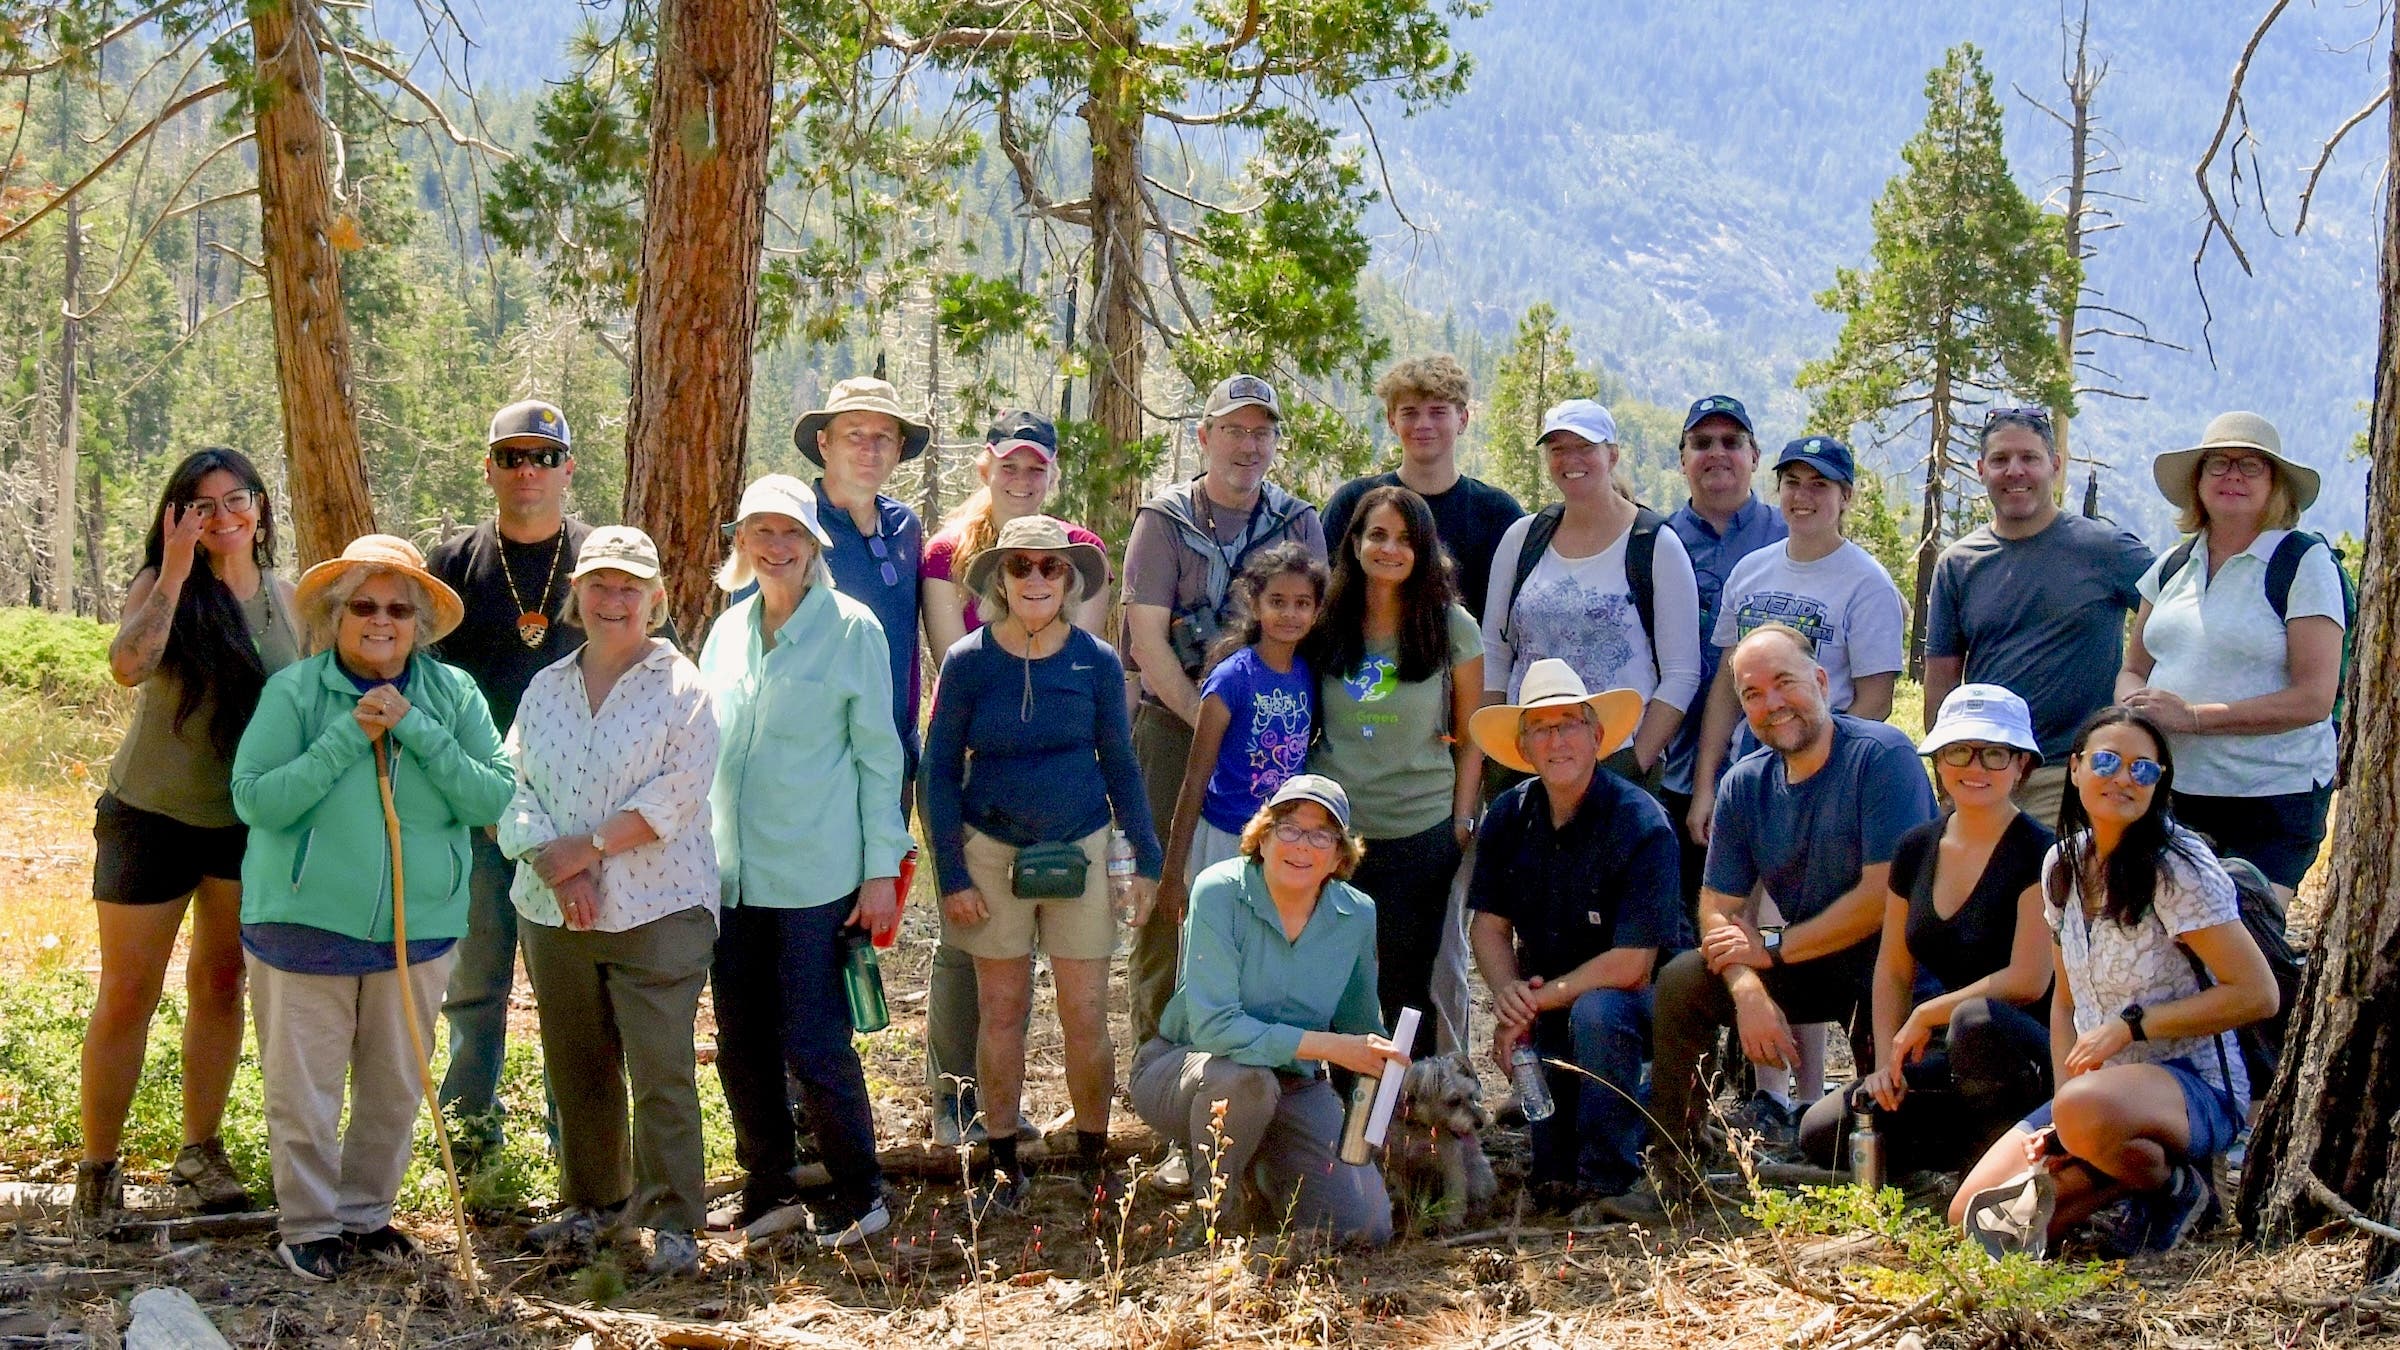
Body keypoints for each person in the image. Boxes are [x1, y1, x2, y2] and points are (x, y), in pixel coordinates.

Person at [230, 535, 514, 1282]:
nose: (380, 621)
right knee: (306, 1091)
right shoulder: (295, 694)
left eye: (397, 608)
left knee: (394, 1087)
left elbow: (492, 797)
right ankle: (309, 1225)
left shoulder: (453, 697)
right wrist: (349, 734)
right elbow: (257, 799)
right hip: (302, 925)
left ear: (419, 621)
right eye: (363, 606)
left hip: (418, 929)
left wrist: (412, 727)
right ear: (335, 614)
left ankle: (364, 1217)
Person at [1952, 706, 2278, 1257]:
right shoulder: (2063, 865)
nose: (2123, 777)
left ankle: (2175, 1187)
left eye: (2142, 769)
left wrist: (2133, 1029)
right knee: (1967, 1216)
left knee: (2082, 1115)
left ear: (2159, 784)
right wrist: (2061, 1110)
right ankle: (2104, 1181)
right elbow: (2065, 1003)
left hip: (2192, 1085)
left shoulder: (2177, 866)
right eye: (2106, 761)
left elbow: (2257, 994)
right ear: (2075, 768)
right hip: (2094, 1098)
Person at [78, 448, 300, 1230]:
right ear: (181, 517)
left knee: (219, 984)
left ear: (261, 506)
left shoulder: (287, 597)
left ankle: (199, 1151)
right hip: (151, 816)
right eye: (202, 504)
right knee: (128, 995)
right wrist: (172, 572)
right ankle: (99, 1169)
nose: (225, 514)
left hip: (245, 823)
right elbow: (128, 667)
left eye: (236, 498)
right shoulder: (162, 587)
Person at [1646, 625, 1936, 1208]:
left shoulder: (1882, 757)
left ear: (1821, 681)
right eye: (1752, 694)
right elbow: (1716, 909)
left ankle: (1891, 1166)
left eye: (1784, 683)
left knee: (1874, 1152)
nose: (1771, 703)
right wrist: (1748, 987)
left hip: (1891, 965)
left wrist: (1772, 946)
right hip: (1805, 963)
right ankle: (1671, 1171)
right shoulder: (1743, 784)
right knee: (1681, 978)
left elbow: (1883, 895)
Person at [920, 515, 1162, 1211]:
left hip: (1082, 847)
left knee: (1084, 1013)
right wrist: (953, 877)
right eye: (1020, 565)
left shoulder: (1095, 662)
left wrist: (1145, 857)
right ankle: (1002, 1162)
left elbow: (1119, 762)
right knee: (1002, 1009)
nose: (1034, 579)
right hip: (989, 850)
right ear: (998, 576)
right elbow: (938, 774)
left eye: (1049, 568)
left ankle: (1094, 1156)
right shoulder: (967, 662)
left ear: (1069, 579)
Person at [498, 528, 720, 1276]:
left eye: (630, 587)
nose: (613, 600)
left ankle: (673, 1220)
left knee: (661, 1067)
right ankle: (592, 1204)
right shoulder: (547, 686)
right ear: (577, 597)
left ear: (655, 600)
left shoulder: (682, 688)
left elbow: (677, 796)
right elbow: (512, 784)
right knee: (578, 1063)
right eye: (599, 585)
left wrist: (586, 850)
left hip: (658, 908)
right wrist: (558, 866)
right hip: (555, 909)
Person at [697, 475, 909, 1248]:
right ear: (741, 544)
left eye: (790, 533)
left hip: (818, 875)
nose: (775, 547)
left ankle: (863, 1194)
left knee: (816, 1040)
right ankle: (769, 1188)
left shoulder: (853, 629)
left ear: (815, 544)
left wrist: (882, 869)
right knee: (741, 1041)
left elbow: (879, 759)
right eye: (760, 532)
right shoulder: (726, 632)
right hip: (732, 875)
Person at [1684, 436, 1906, 1126]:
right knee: (1742, 930)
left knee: (1801, 932)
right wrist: (1706, 779)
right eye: (1793, 482)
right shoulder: (1751, 572)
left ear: (1845, 497)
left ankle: (1815, 1098)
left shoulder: (1866, 582)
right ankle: (1769, 1095)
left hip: (1829, 778)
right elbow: (1726, 689)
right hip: (1756, 781)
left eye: (1821, 484)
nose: (1804, 495)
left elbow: (1873, 696)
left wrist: (1829, 775)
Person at [1121, 373, 1326, 1065]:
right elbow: (1145, 639)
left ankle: (1252, 1055)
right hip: (1174, 733)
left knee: (1270, 890)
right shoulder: (1164, 520)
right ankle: (1157, 1057)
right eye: (1233, 430)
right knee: (1166, 889)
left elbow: (1314, 630)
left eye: (1261, 431)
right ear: (1203, 437)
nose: (1248, 445)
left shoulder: (1298, 522)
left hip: (1273, 744)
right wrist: (1213, 717)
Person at [917, 410, 1108, 1144]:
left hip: (1058, 768)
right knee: (963, 938)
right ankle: (954, 1101)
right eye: (1010, 466)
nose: (1023, 480)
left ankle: (1018, 1107)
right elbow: (949, 655)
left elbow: (1083, 650)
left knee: (1055, 957)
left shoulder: (1079, 551)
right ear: (985, 469)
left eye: (1037, 468)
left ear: (1053, 474)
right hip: (971, 757)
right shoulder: (944, 553)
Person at [1129, 775, 1405, 1246]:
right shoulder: (1217, 891)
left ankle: (1266, 1169)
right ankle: (1216, 1214)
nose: (1302, 845)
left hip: (1295, 1086)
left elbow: (1361, 1024)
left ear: (1340, 855)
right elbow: (1214, 1028)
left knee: (1365, 1227)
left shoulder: (1357, 913)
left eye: (1321, 834)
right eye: (1289, 828)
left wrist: (1386, 1070)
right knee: (1245, 1080)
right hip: (1189, 1068)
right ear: (1263, 836)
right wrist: (1328, 1047)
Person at [1795, 684, 2057, 1176]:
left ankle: (2006, 1166)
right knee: (1825, 1129)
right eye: (1959, 751)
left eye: (1995, 754)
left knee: (1975, 1020)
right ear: (1938, 760)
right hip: (1950, 1059)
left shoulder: (2040, 853)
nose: (1974, 767)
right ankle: (1968, 1157)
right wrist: (1884, 1065)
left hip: (2025, 1056)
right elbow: (1893, 967)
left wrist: (1929, 1013)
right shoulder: (1917, 847)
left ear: (2022, 764)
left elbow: (2028, 980)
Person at [428, 399, 592, 1159]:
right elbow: (422, 683)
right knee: (474, 986)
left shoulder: (598, 562)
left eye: (545, 457)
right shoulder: (453, 565)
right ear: (489, 468)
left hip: (578, 823)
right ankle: (468, 1141)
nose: (529, 471)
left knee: (574, 994)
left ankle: (580, 1148)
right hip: (475, 813)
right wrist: (477, 795)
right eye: (513, 456)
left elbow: (654, 673)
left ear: (569, 469)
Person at [1465, 660, 1684, 1212]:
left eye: (1569, 724)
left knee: (1600, 1014)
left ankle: (1613, 1176)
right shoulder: (1508, 818)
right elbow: (1488, 927)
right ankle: (1579, 1156)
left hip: (1645, 1003)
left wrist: (1531, 1001)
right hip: (1551, 1001)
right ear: (1524, 748)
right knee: (1549, 1165)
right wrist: (1508, 995)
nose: (1556, 739)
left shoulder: (1641, 821)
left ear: (1597, 736)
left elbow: (1633, 964)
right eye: (1541, 728)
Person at [2117, 412, 2343, 898]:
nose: (2232, 475)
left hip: (2271, 798)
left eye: (2251, 466)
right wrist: (2136, 712)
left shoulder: (2302, 564)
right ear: (2197, 482)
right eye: (2217, 464)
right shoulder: (2172, 565)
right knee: (2174, 950)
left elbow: (2314, 698)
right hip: (2172, 793)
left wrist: (2195, 717)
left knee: (2249, 940)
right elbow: (2134, 668)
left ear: (2275, 485)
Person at [1304, 485, 1484, 1060]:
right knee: (1336, 980)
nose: (1389, 549)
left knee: (1408, 988)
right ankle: (1343, 1120)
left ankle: (1411, 1120)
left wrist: (1460, 820)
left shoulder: (1452, 626)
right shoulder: (1325, 619)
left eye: (1405, 539)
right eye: (1376, 535)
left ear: (1424, 550)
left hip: (1421, 830)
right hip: (1337, 835)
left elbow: (1473, 734)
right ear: (1353, 543)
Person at [1924, 407, 2152, 826]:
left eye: (2029, 458)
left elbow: (2176, 617)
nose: (2015, 471)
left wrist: (2140, 695)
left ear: (2055, 465)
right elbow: (1941, 680)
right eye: (2000, 460)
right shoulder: (1959, 564)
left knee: (2056, 889)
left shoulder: (2107, 550)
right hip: (1984, 767)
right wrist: (1948, 771)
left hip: (2070, 773)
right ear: (1981, 469)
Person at [1482, 399, 1702, 787]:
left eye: (1585, 447)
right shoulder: (1522, 539)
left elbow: (1682, 673)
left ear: (1612, 455)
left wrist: (1635, 761)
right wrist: (1496, 751)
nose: (1571, 459)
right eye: (1558, 449)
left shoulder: (1655, 545)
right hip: (1525, 762)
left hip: (1616, 763)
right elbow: (1496, 652)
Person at [1660, 396, 1787, 920]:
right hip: (1666, 766)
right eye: (1702, 443)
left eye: (1731, 443)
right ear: (1682, 458)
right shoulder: (1653, 540)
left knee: (1751, 921)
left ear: (1755, 456)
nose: (1717, 454)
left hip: (1766, 767)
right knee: (1672, 919)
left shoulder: (1790, 536)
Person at [1155, 543, 1327, 931]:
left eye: (1302, 603)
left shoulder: (1307, 674)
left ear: (1316, 612)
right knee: (1213, 954)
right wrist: (1172, 875)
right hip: (1224, 838)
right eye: (1277, 601)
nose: (1289, 613)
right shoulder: (1231, 679)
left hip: (1283, 841)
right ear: (1255, 602)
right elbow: (1194, 779)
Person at [1322, 354, 1524, 622]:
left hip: (1468, 661)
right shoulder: (1354, 502)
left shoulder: (1497, 513)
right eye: (1410, 412)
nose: (1423, 424)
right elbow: (1321, 595)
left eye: (1438, 412)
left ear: (1462, 419)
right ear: (1392, 420)